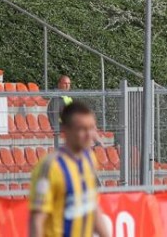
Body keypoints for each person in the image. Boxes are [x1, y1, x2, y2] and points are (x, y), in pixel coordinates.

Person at [29, 101, 109, 237]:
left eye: (92, 128)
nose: (89, 134)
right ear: (66, 130)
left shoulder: (89, 159)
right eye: (82, 129)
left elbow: (92, 206)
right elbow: (37, 220)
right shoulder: (50, 167)